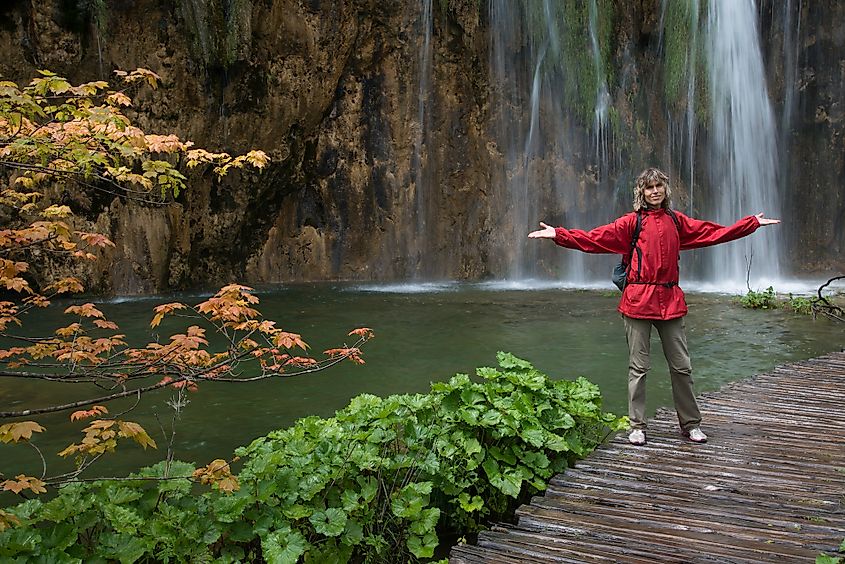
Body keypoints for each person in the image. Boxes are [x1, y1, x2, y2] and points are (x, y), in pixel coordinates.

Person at [528, 167, 780, 446]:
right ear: (641, 193)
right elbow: (595, 239)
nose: (655, 191)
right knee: (639, 367)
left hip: (670, 301)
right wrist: (559, 234)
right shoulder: (630, 223)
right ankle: (637, 426)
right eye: (649, 188)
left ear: (665, 190)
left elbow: (713, 233)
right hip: (637, 302)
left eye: (659, 186)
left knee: (682, 366)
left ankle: (690, 424)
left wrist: (750, 223)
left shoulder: (676, 221)